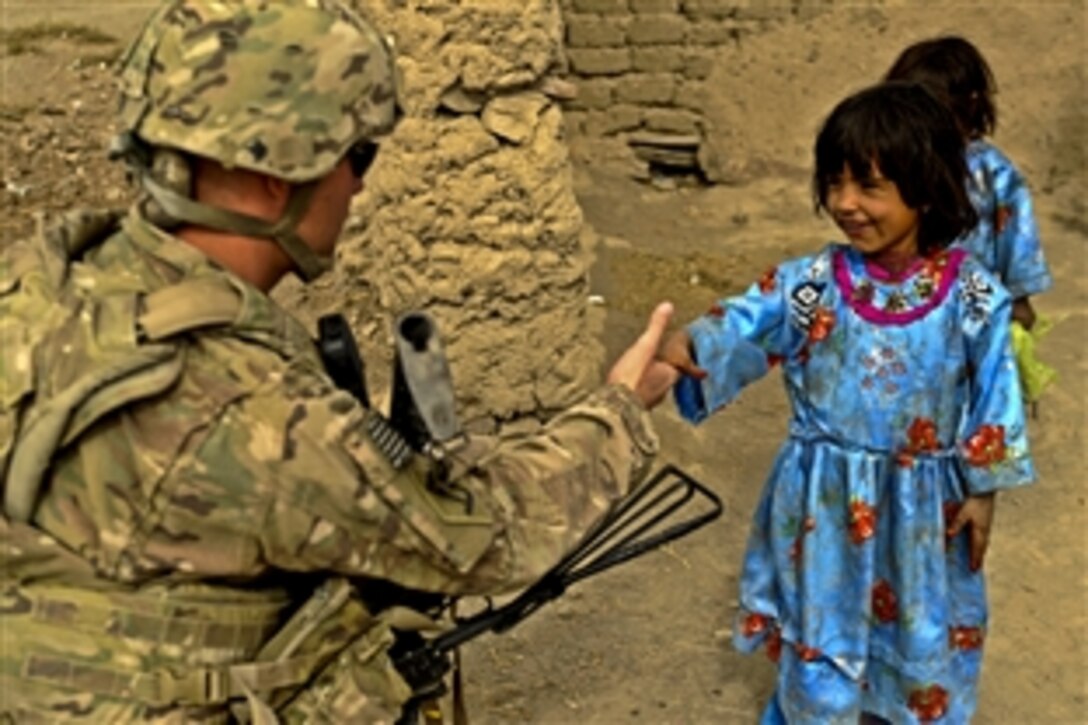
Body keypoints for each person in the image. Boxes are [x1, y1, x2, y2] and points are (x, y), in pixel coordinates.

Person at [0, 1, 680, 722]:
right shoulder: (251, 414)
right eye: (358, 157)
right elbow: (483, 534)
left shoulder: (42, 287)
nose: (357, 188)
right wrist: (618, 410)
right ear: (277, 173)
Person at [660, 82, 1035, 723]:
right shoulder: (812, 284)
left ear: (923, 189)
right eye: (833, 184)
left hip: (923, 511)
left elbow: (996, 389)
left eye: (868, 187)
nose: (845, 204)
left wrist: (983, 491)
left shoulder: (972, 294)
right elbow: (747, 323)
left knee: (919, 636)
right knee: (823, 629)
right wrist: (691, 342)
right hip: (825, 506)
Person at [885, 36, 1056, 405]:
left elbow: (1016, 236)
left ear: (970, 105)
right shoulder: (896, 165)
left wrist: (1019, 300)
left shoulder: (994, 173)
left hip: (972, 309)